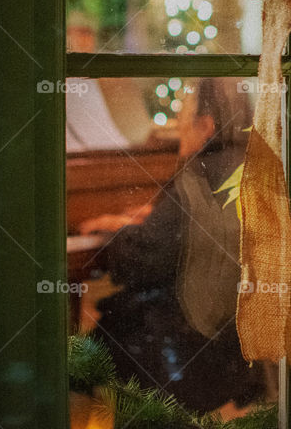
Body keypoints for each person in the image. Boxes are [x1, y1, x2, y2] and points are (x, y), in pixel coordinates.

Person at [93, 78, 270, 413]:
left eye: (184, 116)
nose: (178, 128)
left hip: (189, 348)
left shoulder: (199, 174)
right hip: (238, 340)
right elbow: (193, 231)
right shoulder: (247, 166)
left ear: (206, 125)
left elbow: (142, 259)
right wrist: (157, 217)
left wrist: (112, 235)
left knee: (107, 327)